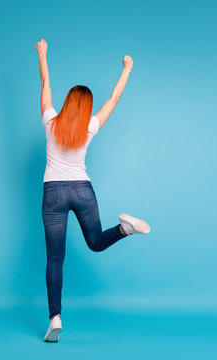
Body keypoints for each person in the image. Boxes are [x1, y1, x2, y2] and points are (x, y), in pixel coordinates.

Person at [34, 38, 150, 342]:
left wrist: (43, 54)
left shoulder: (50, 121)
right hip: (83, 190)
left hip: (54, 192)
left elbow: (45, 82)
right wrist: (126, 69)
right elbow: (114, 99)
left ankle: (55, 318)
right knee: (96, 242)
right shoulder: (90, 127)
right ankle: (124, 229)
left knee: (54, 259)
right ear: (85, 108)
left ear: (68, 102)